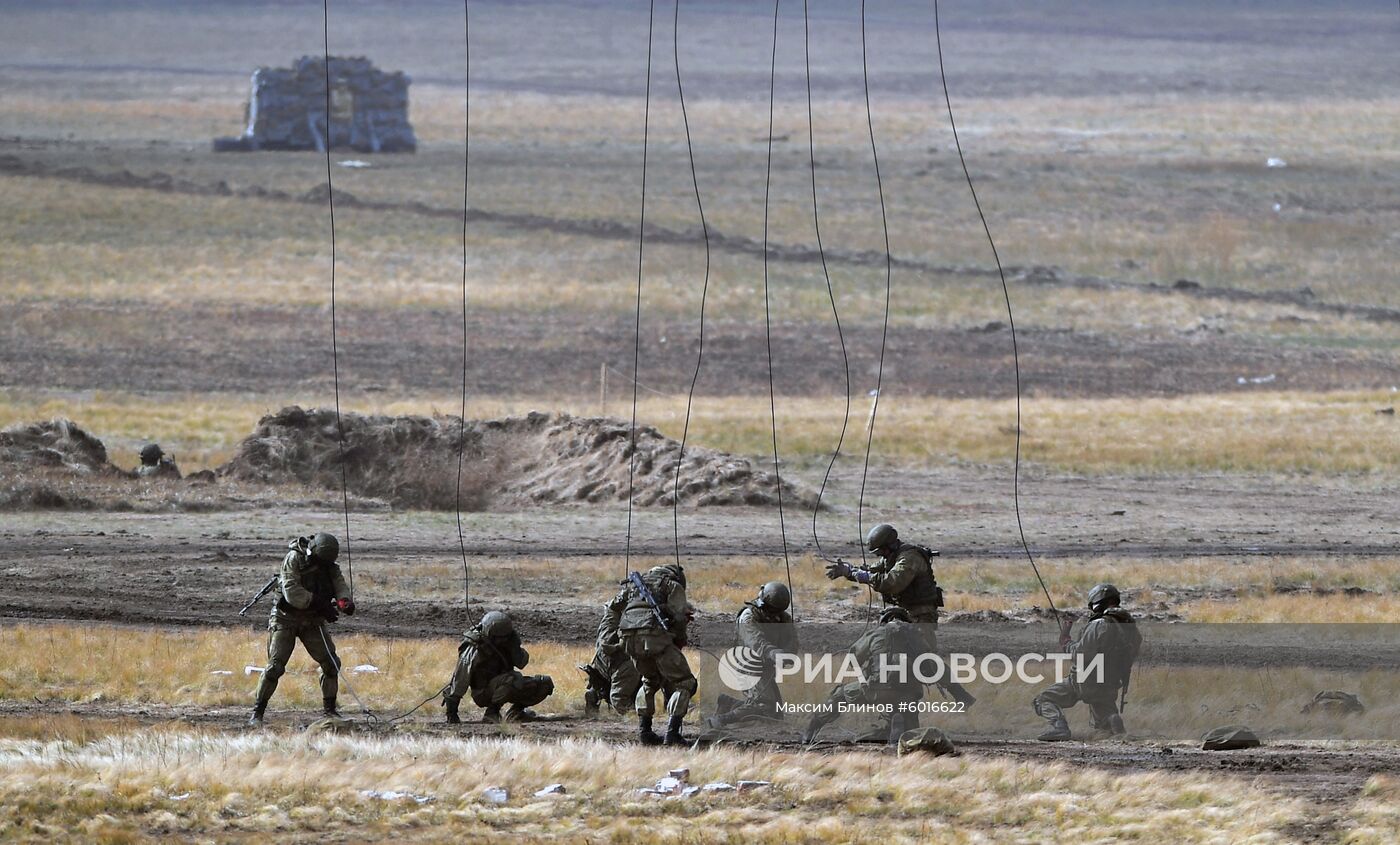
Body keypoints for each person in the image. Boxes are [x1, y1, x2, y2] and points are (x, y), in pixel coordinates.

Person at [825, 523, 976, 706]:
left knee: (925, 659)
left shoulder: (909, 558)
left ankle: (960, 695)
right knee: (896, 659)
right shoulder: (892, 557)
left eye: (880, 551)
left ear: (890, 545)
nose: (879, 555)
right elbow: (873, 570)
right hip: (903, 615)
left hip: (920, 616)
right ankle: (898, 705)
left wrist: (860, 575)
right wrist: (849, 572)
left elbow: (892, 583)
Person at [250, 532, 355, 725]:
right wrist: (321, 605)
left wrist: (344, 602)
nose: (324, 566)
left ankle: (330, 712)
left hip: (312, 622)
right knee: (275, 667)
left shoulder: (329, 566)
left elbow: (339, 585)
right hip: (285, 619)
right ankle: (257, 713)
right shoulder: (293, 559)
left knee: (331, 664)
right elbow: (292, 592)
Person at [801, 607, 927, 745]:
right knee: (911, 735)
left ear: (884, 619)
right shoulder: (918, 637)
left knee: (840, 695)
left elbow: (853, 659)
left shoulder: (875, 634)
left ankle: (812, 728)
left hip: (877, 689)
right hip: (908, 696)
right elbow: (930, 667)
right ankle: (897, 728)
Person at [1033, 583, 1141, 741]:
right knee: (1104, 730)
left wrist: (1066, 643)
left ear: (1097, 603)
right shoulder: (1131, 629)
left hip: (1085, 679)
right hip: (1110, 682)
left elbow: (1080, 655)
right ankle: (1112, 720)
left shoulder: (1099, 625)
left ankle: (1059, 728)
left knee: (1043, 700)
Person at [604, 564, 696, 746]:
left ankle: (645, 732)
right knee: (685, 682)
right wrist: (679, 638)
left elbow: (613, 607)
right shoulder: (672, 586)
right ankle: (673, 733)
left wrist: (612, 632)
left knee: (649, 681)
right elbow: (679, 617)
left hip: (629, 639)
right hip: (654, 637)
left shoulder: (633, 587)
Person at [707, 580, 798, 728]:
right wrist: (774, 653)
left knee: (774, 715)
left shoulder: (782, 618)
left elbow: (791, 640)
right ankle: (721, 720)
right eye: (772, 611)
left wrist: (788, 654)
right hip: (746, 664)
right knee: (764, 704)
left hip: (765, 666)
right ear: (764, 604)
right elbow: (756, 642)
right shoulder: (748, 617)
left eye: (778, 612)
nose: (775, 615)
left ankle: (728, 703)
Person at [443, 611, 554, 724]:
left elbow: (521, 663)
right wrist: (452, 711)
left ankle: (516, 713)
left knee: (544, 683)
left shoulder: (509, 643)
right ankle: (492, 713)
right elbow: (461, 679)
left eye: (505, 637)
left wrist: (515, 648)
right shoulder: (475, 648)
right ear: (489, 633)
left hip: (507, 685)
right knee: (512, 679)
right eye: (498, 637)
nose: (502, 640)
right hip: (483, 692)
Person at [580, 607, 641, 716]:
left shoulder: (609, 621)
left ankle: (595, 694)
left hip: (602, 663)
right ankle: (635, 717)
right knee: (619, 697)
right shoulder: (633, 620)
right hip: (620, 664)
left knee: (608, 684)